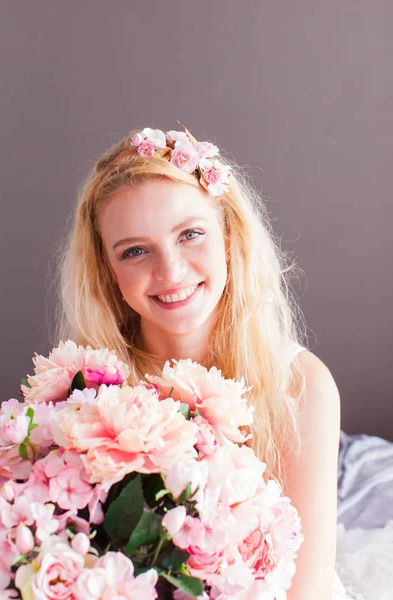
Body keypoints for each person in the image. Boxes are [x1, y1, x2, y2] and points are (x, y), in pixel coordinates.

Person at [55, 124, 349, 599]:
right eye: (134, 251)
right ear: (107, 271)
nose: (169, 271)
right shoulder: (89, 389)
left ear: (230, 236)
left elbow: (304, 591)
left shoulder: (300, 386)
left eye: (190, 234)